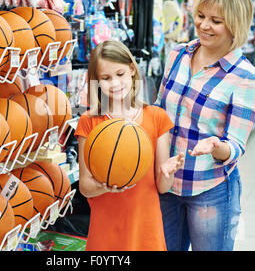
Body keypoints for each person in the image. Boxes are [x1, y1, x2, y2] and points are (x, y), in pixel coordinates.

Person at [155, 0, 255, 251]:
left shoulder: (245, 76)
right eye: (201, 16)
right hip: (166, 184)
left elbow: (236, 146)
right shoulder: (178, 54)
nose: (204, 25)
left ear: (235, 25)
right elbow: (160, 112)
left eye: (216, 21)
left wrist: (217, 146)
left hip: (209, 188)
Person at [74, 39, 184, 251]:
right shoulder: (89, 122)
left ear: (132, 70)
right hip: (106, 228)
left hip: (145, 228)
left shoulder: (156, 117)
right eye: (105, 78)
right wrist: (104, 187)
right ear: (95, 81)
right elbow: (85, 187)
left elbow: (162, 187)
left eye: (120, 74)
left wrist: (168, 172)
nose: (115, 83)